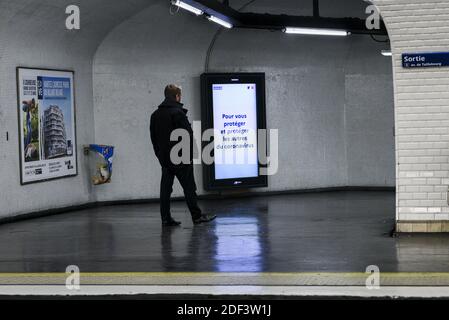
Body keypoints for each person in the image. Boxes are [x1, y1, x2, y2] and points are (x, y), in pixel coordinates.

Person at [150, 84, 216, 227]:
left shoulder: (155, 115)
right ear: (177, 96)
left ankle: (166, 219)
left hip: (165, 160)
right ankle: (196, 217)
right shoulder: (178, 113)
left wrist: (160, 156)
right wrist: (189, 157)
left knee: (165, 190)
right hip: (181, 158)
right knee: (189, 188)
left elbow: (153, 139)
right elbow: (187, 136)